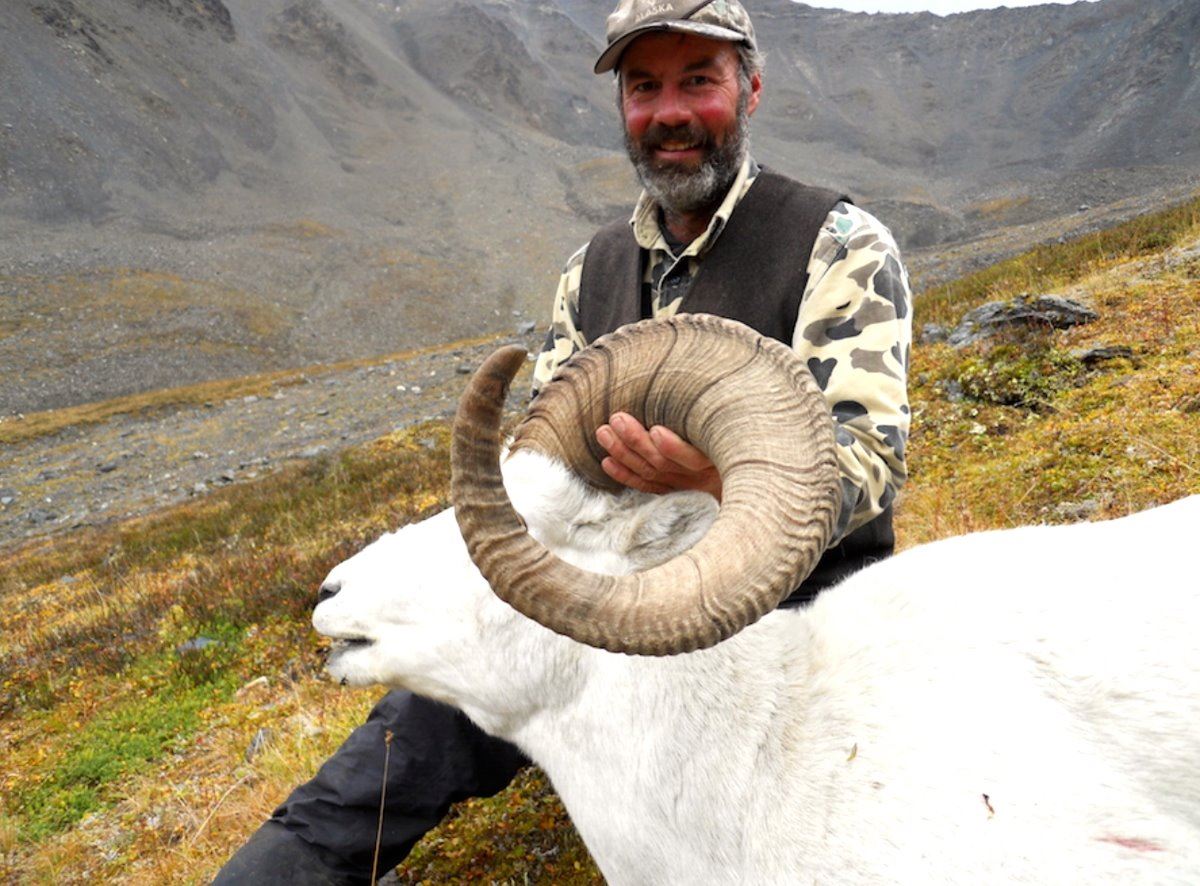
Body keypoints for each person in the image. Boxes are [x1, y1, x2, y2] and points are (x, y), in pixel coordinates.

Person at [213, 1, 911, 882]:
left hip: (778, 615)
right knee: (388, 761)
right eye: (644, 88)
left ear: (751, 89)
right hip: (586, 599)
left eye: (698, 80)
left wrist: (718, 480)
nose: (670, 112)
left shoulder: (836, 246)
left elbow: (870, 455)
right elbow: (542, 473)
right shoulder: (593, 271)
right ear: (623, 106)